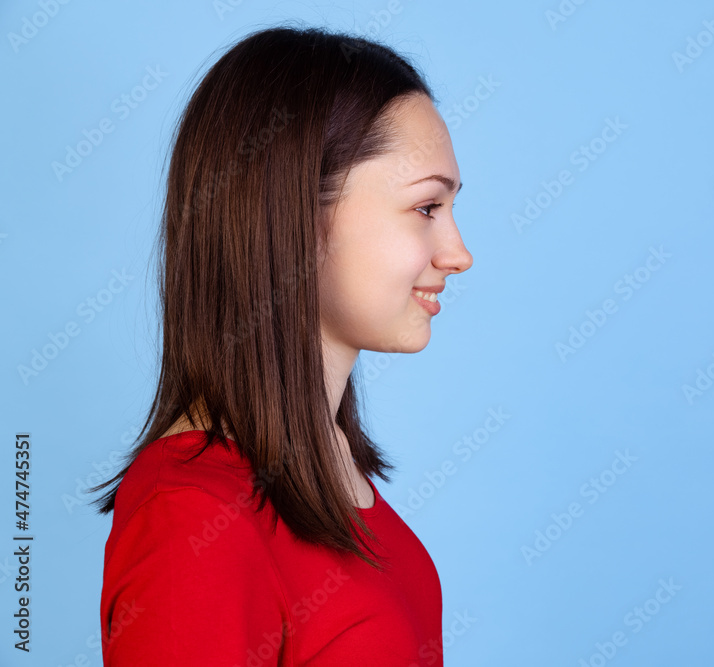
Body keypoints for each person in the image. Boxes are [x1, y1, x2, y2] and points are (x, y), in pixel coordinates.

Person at [88, 24, 473, 666]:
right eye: (427, 207)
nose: (458, 254)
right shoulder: (190, 516)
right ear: (294, 210)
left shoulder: (336, 477)